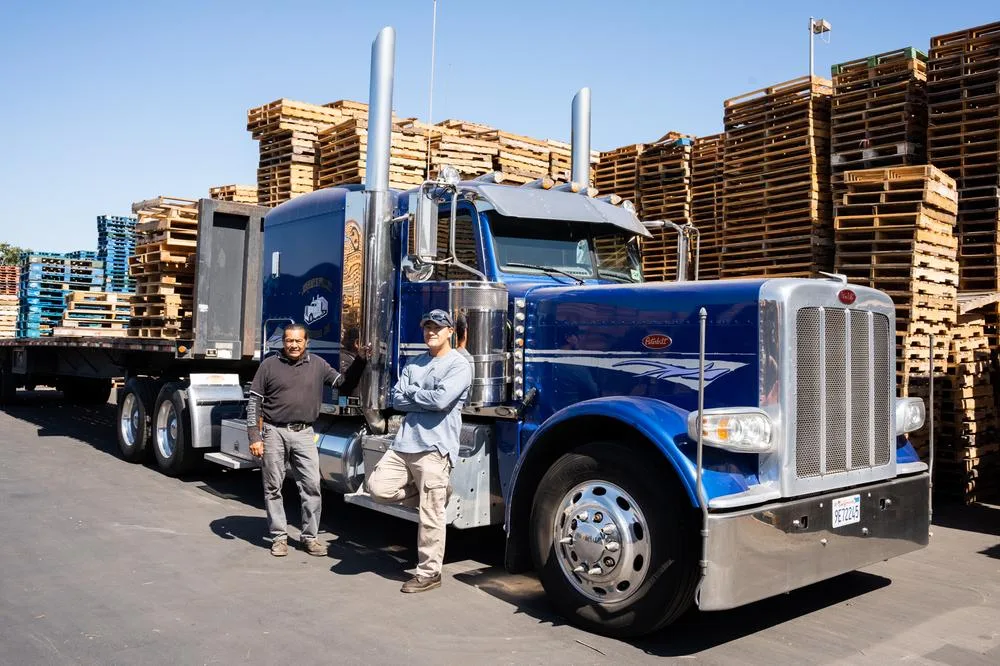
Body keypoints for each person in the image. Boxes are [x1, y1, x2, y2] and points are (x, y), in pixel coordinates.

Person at [364, 309, 472, 593]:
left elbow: (441, 401)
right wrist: (422, 397)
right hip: (404, 444)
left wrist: (414, 395)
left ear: (450, 331)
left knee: (431, 514)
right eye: (427, 328)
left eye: (437, 328)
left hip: (435, 447)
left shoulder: (459, 365)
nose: (431, 332)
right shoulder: (415, 362)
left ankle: (429, 573)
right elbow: (396, 398)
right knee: (377, 488)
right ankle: (434, 494)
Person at [246, 324, 364, 557]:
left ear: (306, 342)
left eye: (298, 341)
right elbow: (254, 402)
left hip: (305, 434)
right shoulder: (269, 365)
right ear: (284, 342)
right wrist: (254, 436)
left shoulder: (318, 364)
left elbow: (343, 384)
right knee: (273, 487)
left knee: (311, 486)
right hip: (273, 432)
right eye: (290, 341)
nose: (294, 345)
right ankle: (279, 537)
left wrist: (360, 360)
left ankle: (310, 537)